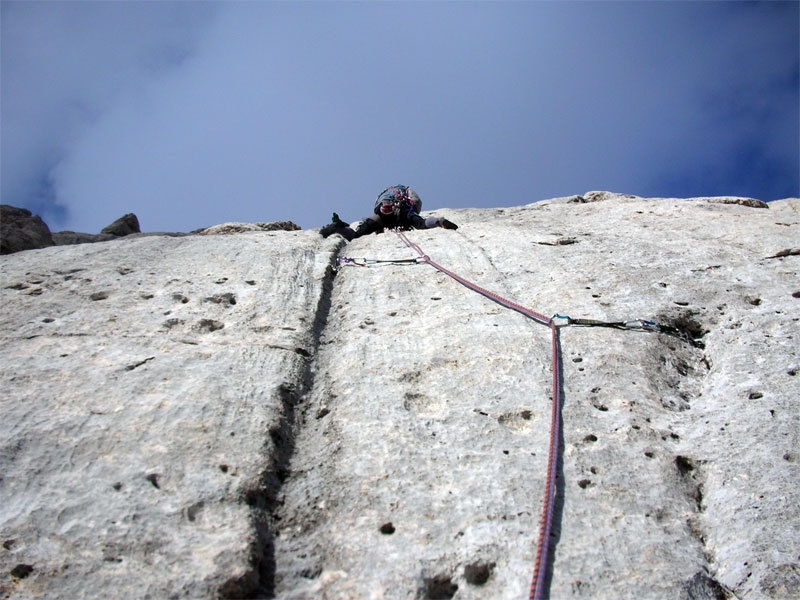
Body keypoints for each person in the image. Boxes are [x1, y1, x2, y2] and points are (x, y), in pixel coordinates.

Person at [320, 184, 458, 240]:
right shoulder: (405, 188)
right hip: (403, 210)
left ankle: (339, 226)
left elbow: (376, 206)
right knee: (421, 223)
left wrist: (379, 228)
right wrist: (413, 212)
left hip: (382, 214)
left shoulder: (383, 194)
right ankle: (439, 221)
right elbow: (416, 201)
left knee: (357, 235)